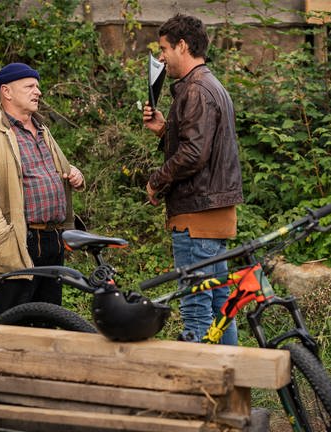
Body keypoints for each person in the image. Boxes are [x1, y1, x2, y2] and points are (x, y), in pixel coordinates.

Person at [142, 14, 243, 345]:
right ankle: (231, 390)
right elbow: (201, 145)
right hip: (215, 214)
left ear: (182, 46)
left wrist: (156, 181)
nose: (161, 58)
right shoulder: (210, 85)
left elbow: (193, 155)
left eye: (164, 49)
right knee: (220, 308)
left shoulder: (195, 91)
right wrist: (164, 129)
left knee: (197, 309)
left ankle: (199, 393)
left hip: (196, 216)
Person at [0, 62, 85, 322]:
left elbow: (58, 170)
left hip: (53, 237)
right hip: (20, 240)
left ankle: (39, 364)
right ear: (7, 92)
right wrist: (3, 239)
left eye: (38, 86)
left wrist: (75, 174)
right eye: (30, 86)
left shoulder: (42, 130)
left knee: (48, 315)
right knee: (11, 317)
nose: (38, 92)